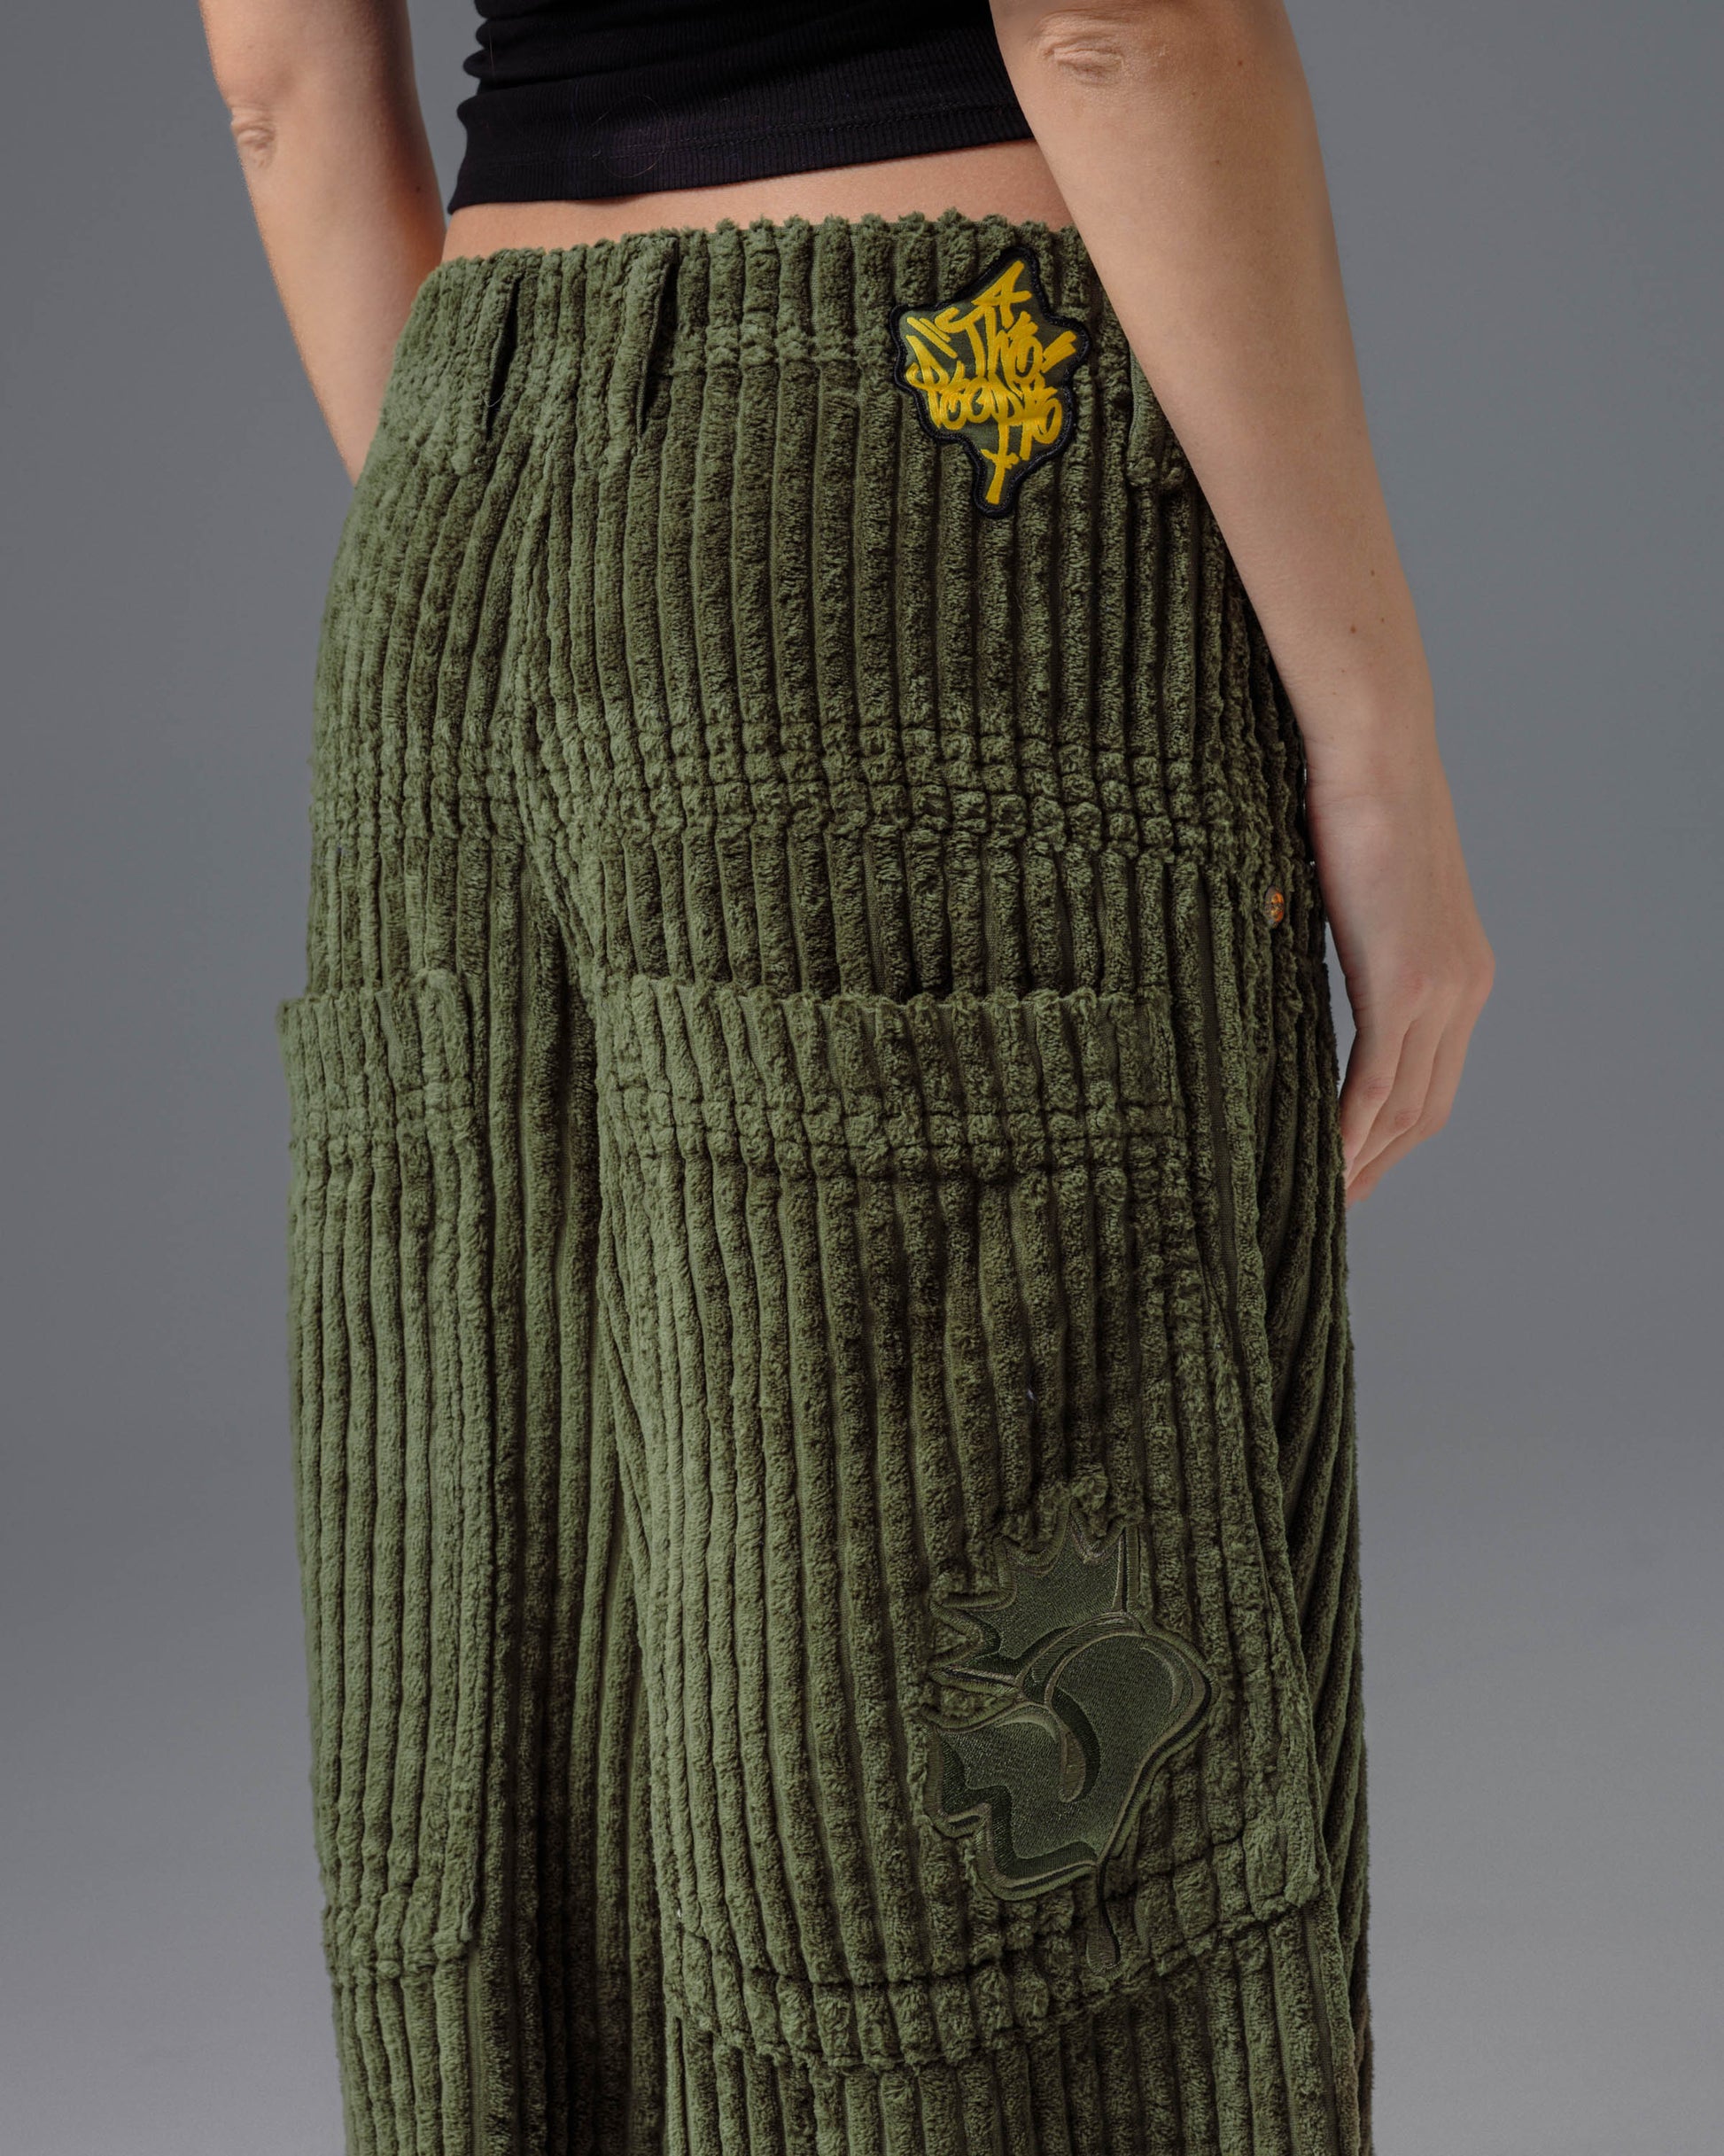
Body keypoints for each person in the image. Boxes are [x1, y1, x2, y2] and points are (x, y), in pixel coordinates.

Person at [198, 4, 1493, 2151]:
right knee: (958, 1735)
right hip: (927, 454)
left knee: (535, 1639)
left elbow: (284, 98)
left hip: (459, 503)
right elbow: (1117, 30)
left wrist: (551, 528)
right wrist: (1376, 747)